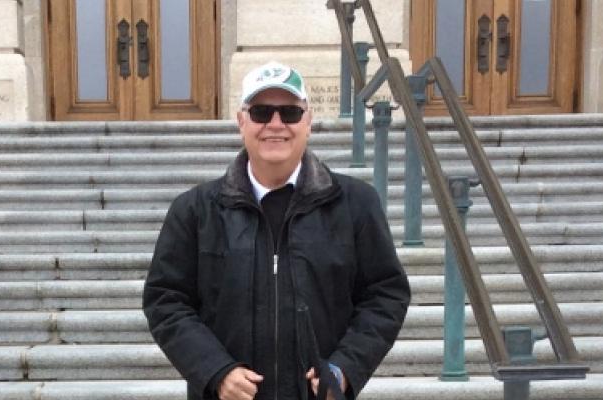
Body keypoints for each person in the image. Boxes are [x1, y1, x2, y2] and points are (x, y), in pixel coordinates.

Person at [143, 61, 411, 400]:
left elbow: (385, 294)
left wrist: (345, 368)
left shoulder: (356, 204)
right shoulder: (194, 211)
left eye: (289, 113)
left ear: (308, 122)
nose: (275, 124)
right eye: (261, 112)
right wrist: (215, 370)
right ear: (242, 122)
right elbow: (165, 301)